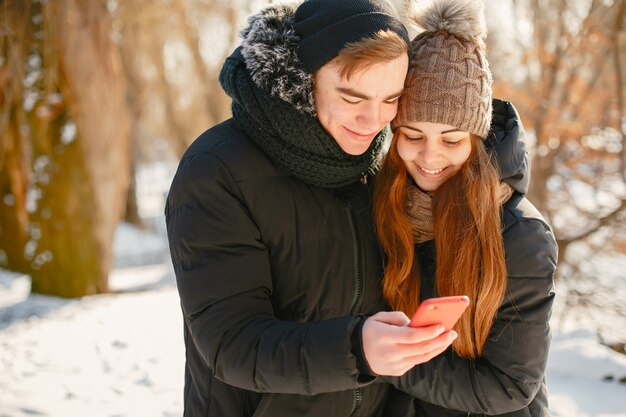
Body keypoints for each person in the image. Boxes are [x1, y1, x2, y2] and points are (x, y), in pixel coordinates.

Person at [165, 1, 459, 416]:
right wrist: (356, 351)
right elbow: (231, 344)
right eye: (351, 96)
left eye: (390, 98)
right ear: (303, 79)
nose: (372, 120)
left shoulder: (385, 167)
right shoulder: (217, 170)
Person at [372, 0, 558, 416]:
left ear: (476, 141)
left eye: (452, 140)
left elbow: (510, 386)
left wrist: (384, 362)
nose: (429, 156)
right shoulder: (384, 205)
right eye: (412, 135)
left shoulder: (520, 234)